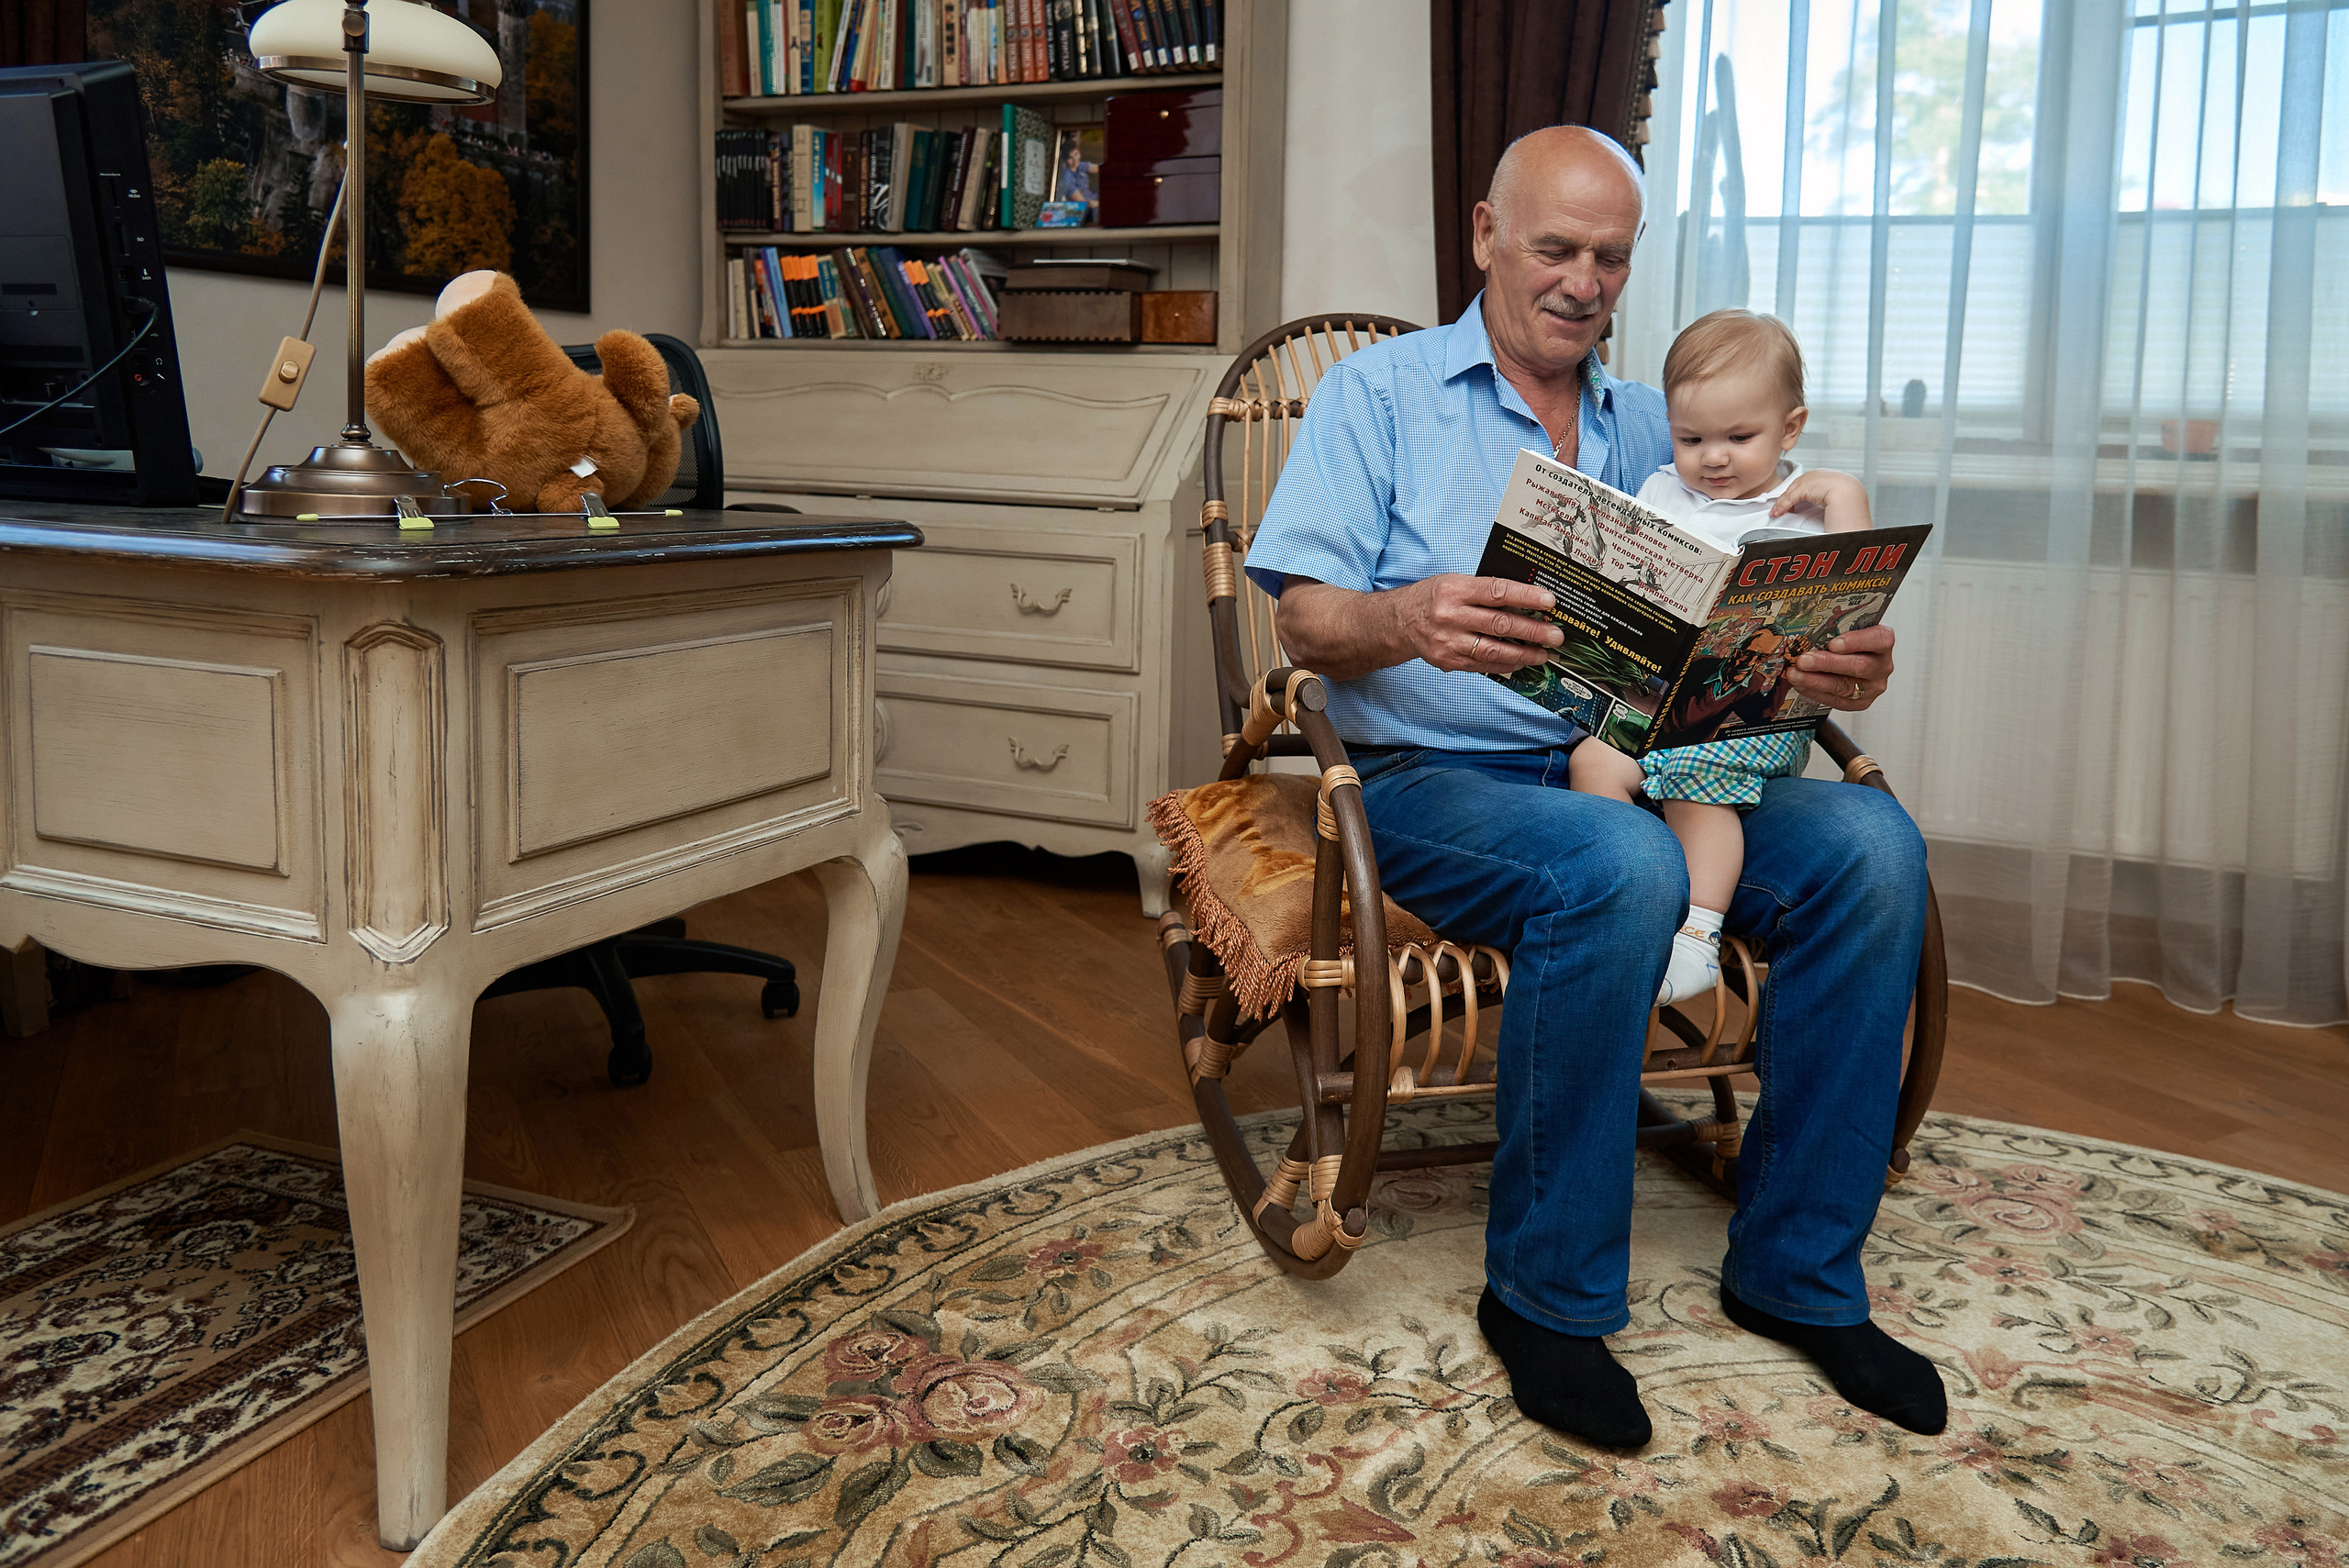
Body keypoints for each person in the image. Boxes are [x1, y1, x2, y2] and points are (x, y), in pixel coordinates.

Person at [1244, 125, 1946, 1450]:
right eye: (1555, 247)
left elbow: (1742, 615)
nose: (1582, 282)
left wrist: (1835, 660)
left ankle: (1798, 1272)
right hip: (1431, 779)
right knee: (1615, 860)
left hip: (1654, 765)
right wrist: (1407, 617)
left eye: (1610, 258)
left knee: (1871, 843)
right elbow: (1303, 620)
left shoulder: (1662, 427)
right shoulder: (1378, 396)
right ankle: (1548, 1300)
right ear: (1484, 235)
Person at [1569, 309, 1876, 1006]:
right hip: (1662, 699)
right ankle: (1637, 893)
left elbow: (1861, 587)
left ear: (1790, 429)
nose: (1713, 458)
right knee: (1593, 760)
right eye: (1692, 438)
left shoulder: (1805, 507)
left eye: (1740, 438)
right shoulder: (1660, 491)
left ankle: (1697, 936)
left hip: (1752, 713)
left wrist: (1844, 495)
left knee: (1688, 776)